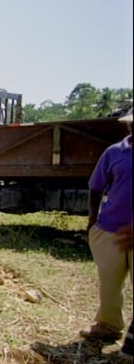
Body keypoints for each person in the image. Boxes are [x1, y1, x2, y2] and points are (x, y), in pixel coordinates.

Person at [79, 111, 132, 344]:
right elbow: (96, 187)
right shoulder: (114, 153)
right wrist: (93, 220)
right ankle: (109, 326)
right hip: (111, 229)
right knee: (110, 282)